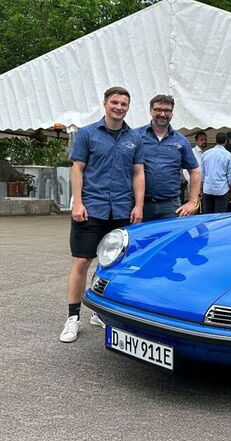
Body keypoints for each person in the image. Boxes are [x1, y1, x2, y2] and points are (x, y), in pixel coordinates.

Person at [60, 86, 145, 343]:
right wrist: (77, 202)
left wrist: (138, 206)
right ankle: (72, 317)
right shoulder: (87, 134)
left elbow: (138, 173)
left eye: (124, 104)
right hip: (92, 209)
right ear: (105, 104)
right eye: (115, 102)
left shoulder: (134, 138)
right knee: (82, 262)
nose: (119, 107)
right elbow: (77, 169)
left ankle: (99, 311)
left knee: (111, 264)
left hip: (121, 209)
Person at [137, 94, 200, 221]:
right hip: (140, 205)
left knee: (170, 239)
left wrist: (193, 202)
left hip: (170, 206)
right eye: (158, 110)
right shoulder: (136, 136)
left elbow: (195, 171)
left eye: (167, 110)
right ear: (150, 111)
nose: (162, 114)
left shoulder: (181, 141)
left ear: (172, 113)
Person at [200, 132, 231, 213]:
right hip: (222, 190)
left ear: (216, 140)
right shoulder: (229, 155)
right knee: (219, 217)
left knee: (208, 217)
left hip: (207, 189)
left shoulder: (205, 154)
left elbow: (202, 175)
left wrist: (200, 190)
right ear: (226, 141)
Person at [182, 130, 208, 209]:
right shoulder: (192, 152)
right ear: (196, 141)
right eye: (201, 140)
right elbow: (185, 170)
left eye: (205, 140)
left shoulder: (207, 153)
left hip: (205, 185)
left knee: (203, 208)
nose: (204, 141)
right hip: (194, 185)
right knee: (193, 208)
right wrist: (193, 183)